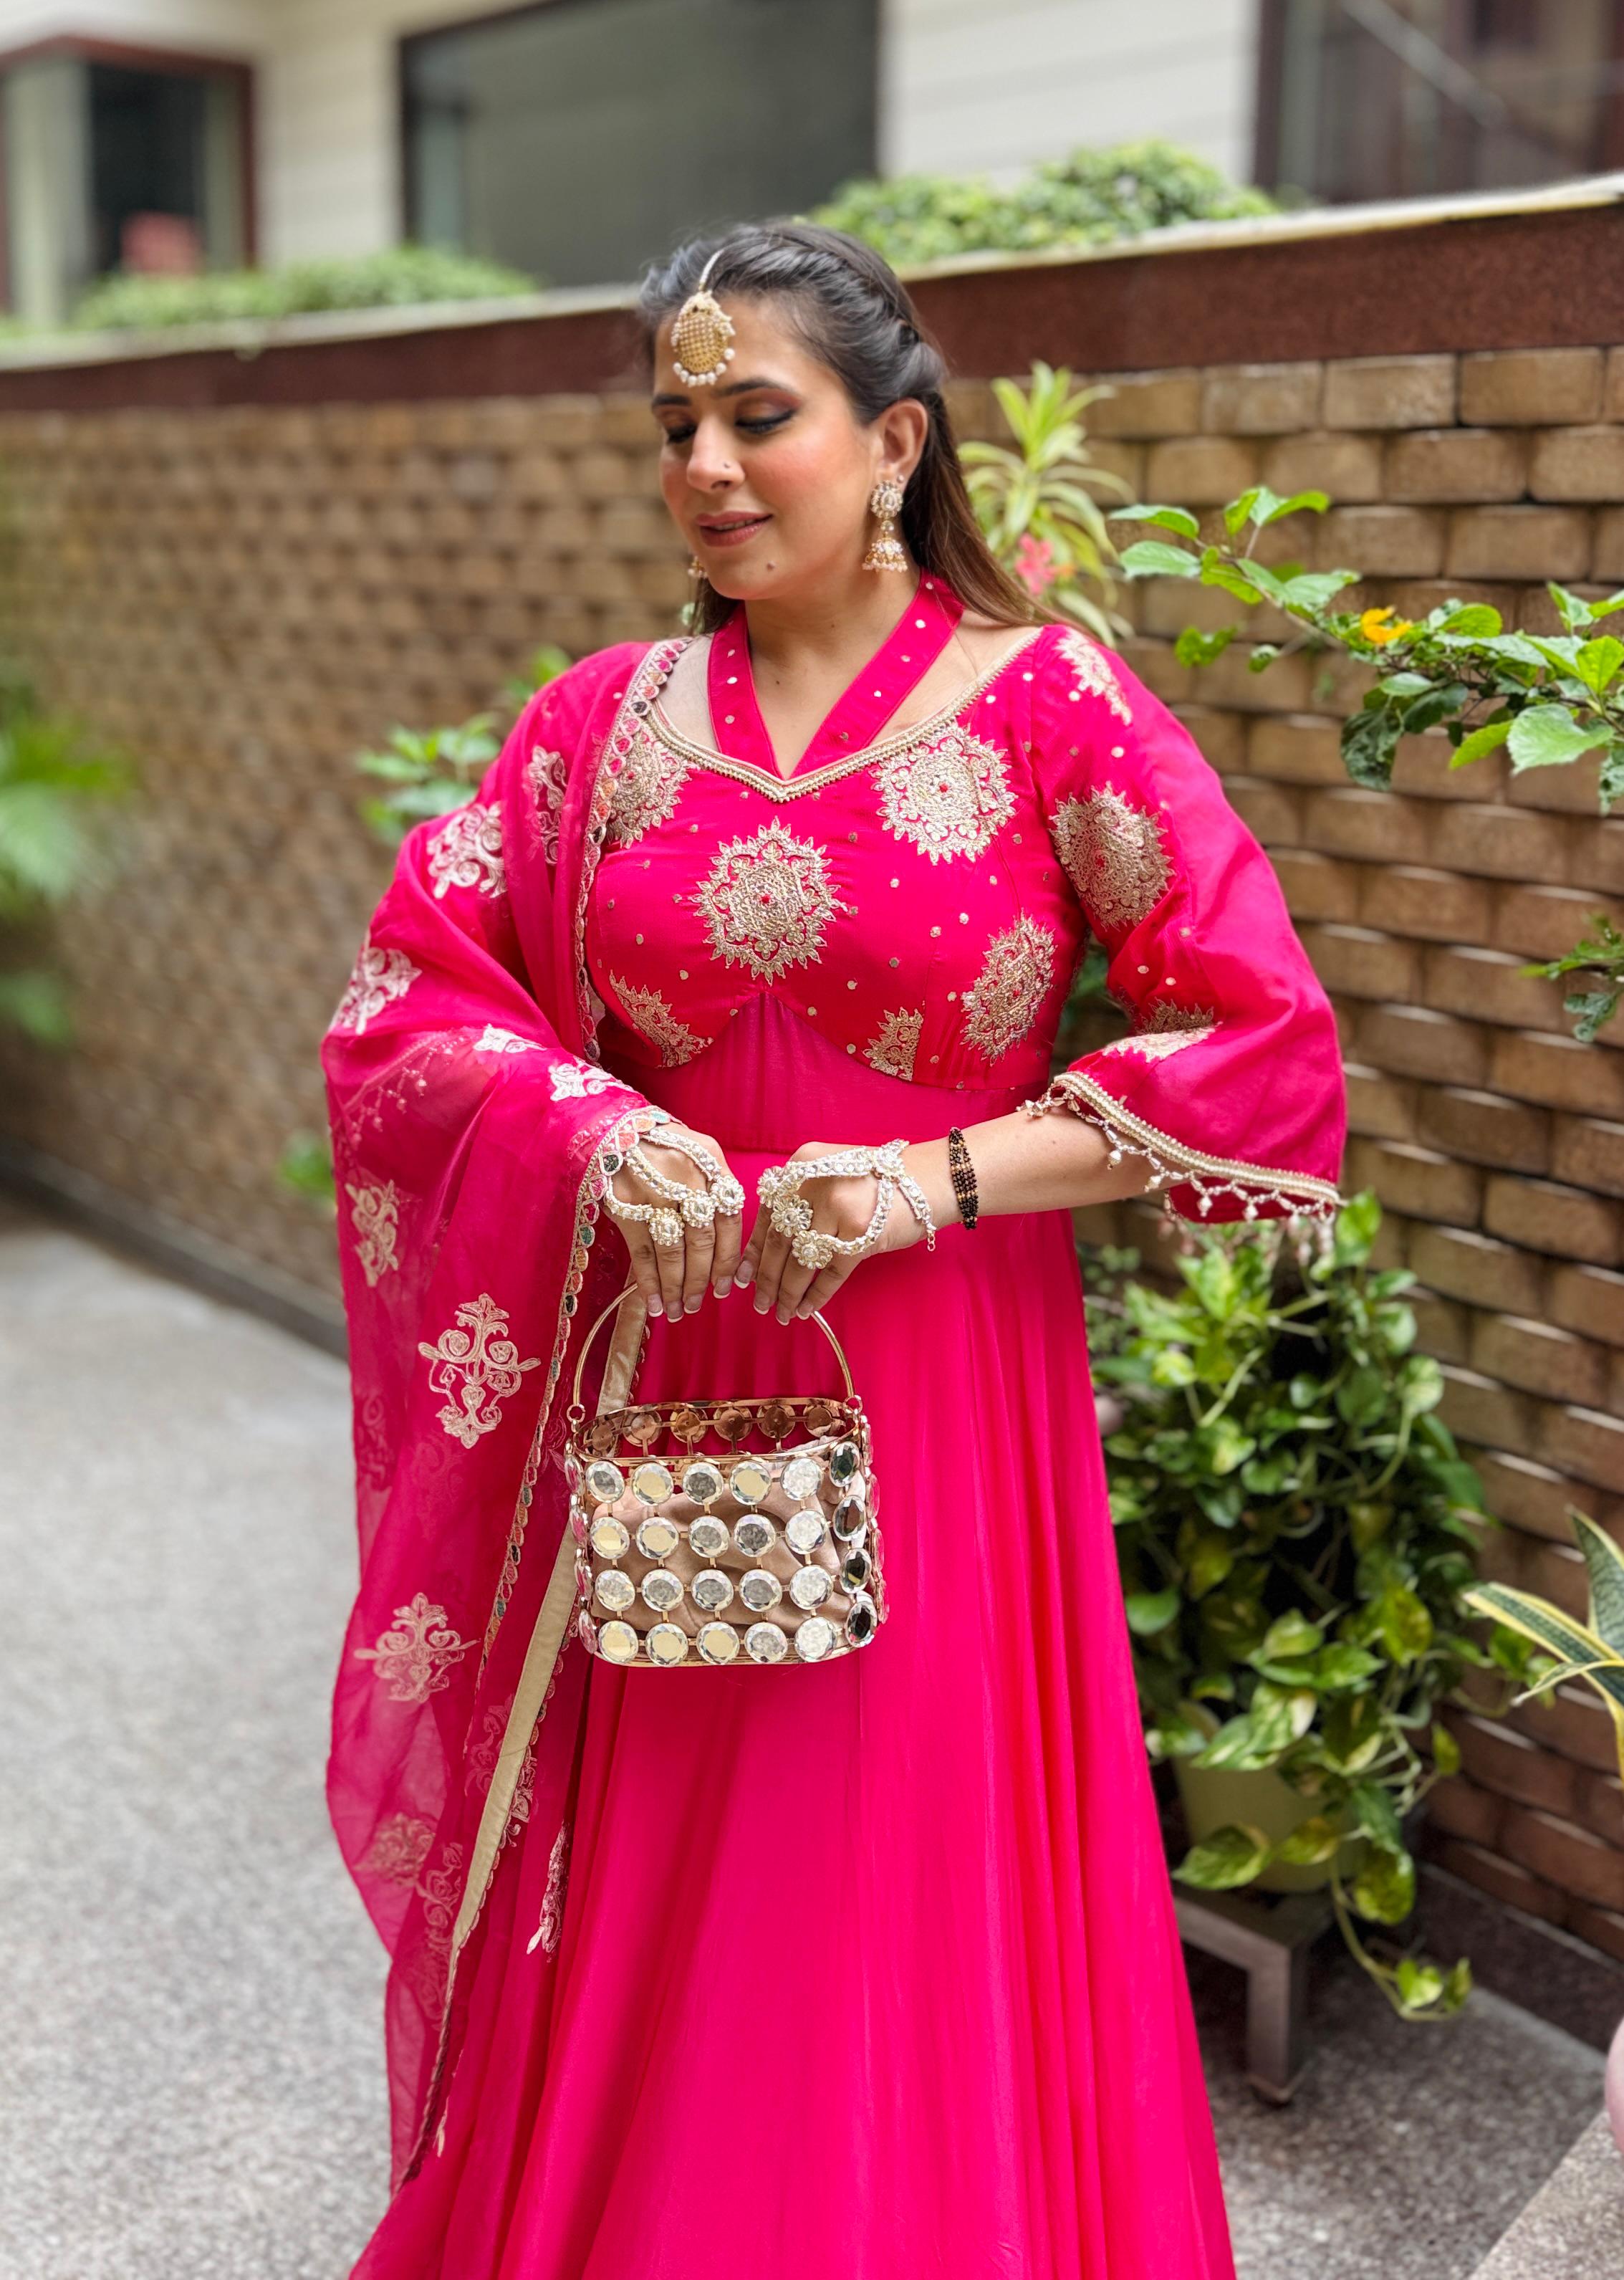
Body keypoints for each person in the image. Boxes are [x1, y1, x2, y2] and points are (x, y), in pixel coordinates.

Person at [322, 220, 1345, 2280]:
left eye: (755, 415)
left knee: (899, 1860)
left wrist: (928, 1183)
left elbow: (1258, 1041)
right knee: (681, 1871)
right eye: (672, 425)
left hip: (944, 1383)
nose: (704, 464)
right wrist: (595, 1126)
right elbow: (408, 1002)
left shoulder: (1048, 707)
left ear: (894, 442)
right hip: (672, 1377)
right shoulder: (597, 726)